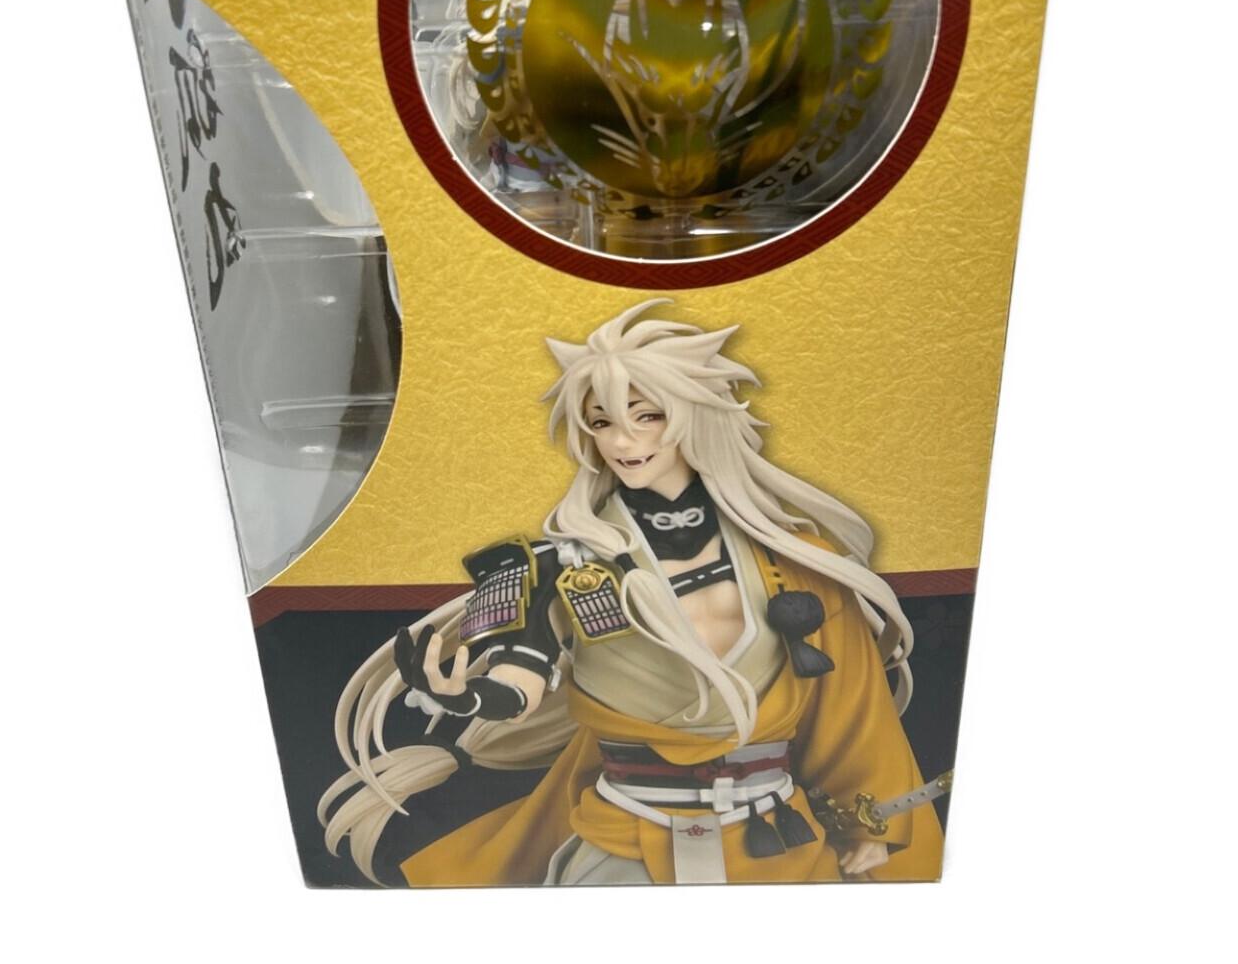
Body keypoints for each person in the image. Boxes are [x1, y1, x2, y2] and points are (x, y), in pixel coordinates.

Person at [320, 301, 943, 885]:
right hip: (624, 837)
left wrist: (873, 823)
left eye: (647, 417)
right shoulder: (559, 564)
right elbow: (519, 676)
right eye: (602, 423)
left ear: (698, 417)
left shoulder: (798, 561)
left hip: (775, 838)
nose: (621, 442)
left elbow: (851, 707)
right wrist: (464, 694)